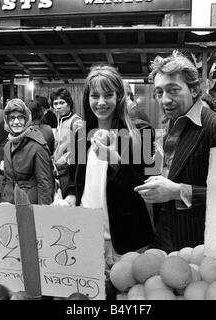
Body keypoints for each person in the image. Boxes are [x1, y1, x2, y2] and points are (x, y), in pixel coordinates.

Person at [134, 51, 216, 252]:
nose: (165, 99)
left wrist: (177, 192)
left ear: (193, 90)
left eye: (173, 90)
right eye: (159, 92)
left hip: (197, 241)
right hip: (165, 234)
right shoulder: (172, 124)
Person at [53, 65, 155, 265]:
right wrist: (70, 197)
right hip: (86, 239)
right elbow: (73, 179)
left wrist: (116, 161)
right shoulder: (81, 136)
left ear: (119, 96)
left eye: (108, 95)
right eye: (94, 96)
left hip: (127, 243)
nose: (101, 102)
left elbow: (146, 188)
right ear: (87, 99)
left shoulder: (140, 133)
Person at [0, 99, 54, 205]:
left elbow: (44, 184)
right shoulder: (7, 145)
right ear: (7, 121)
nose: (16, 122)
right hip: (9, 205)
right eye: (12, 118)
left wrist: (44, 213)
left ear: (27, 120)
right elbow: (7, 180)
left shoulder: (37, 146)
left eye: (20, 117)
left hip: (29, 206)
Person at [50, 88, 83, 199]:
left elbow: (81, 150)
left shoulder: (76, 121)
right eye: (55, 103)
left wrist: (63, 162)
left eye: (61, 102)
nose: (58, 106)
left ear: (69, 103)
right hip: (59, 171)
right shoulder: (61, 120)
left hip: (68, 173)